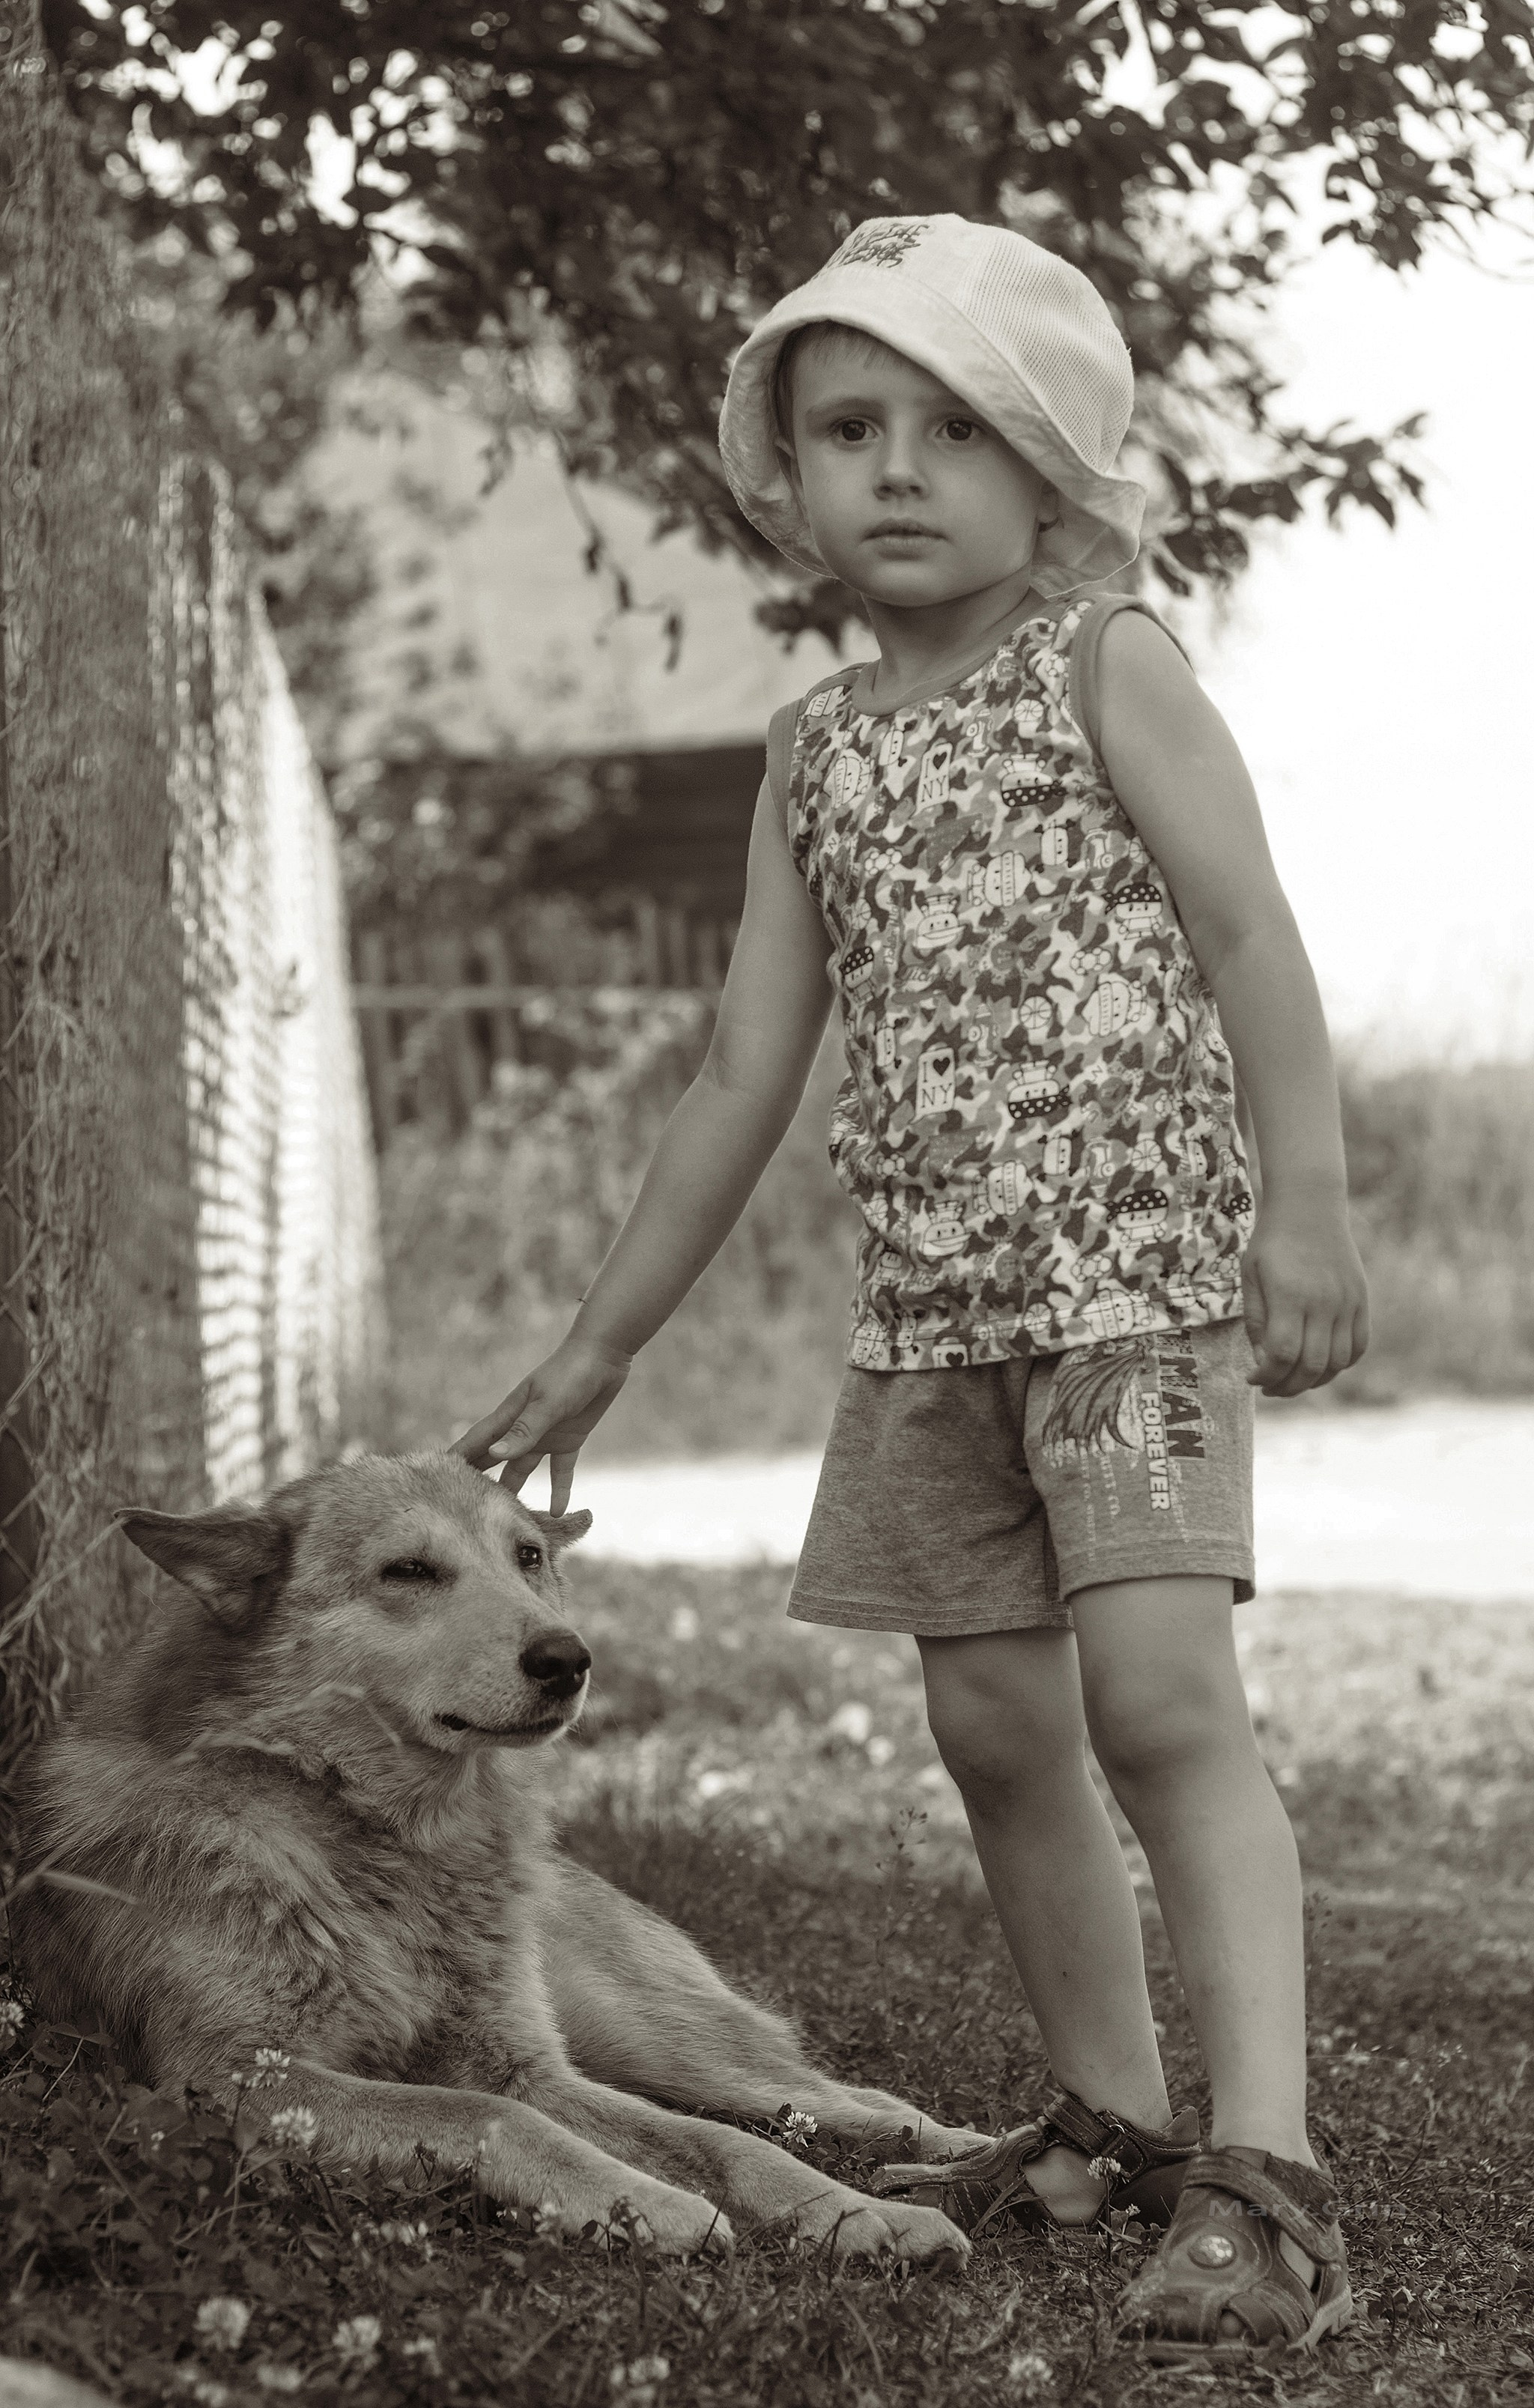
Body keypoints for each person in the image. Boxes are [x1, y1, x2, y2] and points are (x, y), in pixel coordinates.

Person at [455, 215, 1367, 2359]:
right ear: (790, 472)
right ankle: (1114, 2123)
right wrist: (597, 1345)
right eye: (847, 426)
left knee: (1155, 1704)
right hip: (933, 1328)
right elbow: (741, 1071)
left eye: (954, 428)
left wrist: (1304, 1207)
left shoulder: (1108, 662)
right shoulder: (813, 755)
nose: (894, 468)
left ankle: (1271, 2170)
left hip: (1129, 1293)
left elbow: (1253, 940)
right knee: (990, 1723)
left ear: (1046, 466)